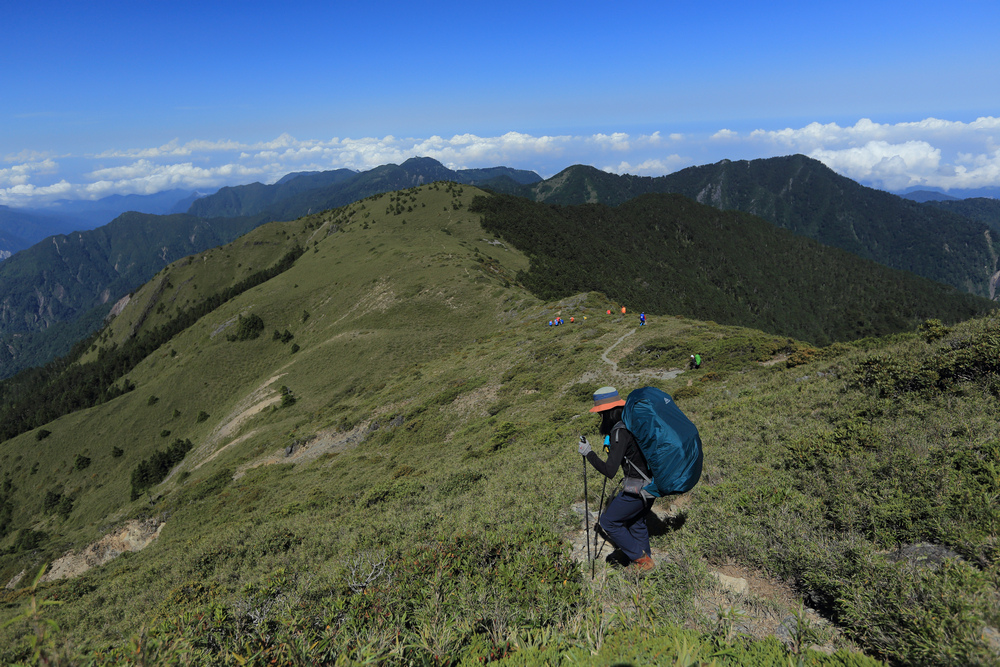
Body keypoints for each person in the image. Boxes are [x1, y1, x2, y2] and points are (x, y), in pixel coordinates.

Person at [578, 386, 656, 571]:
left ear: (606, 413)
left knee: (608, 522)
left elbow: (609, 470)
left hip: (636, 489)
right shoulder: (631, 424)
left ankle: (641, 560)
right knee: (636, 523)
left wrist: (588, 453)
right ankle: (646, 561)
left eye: (600, 414)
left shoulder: (619, 432)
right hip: (650, 486)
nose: (600, 417)